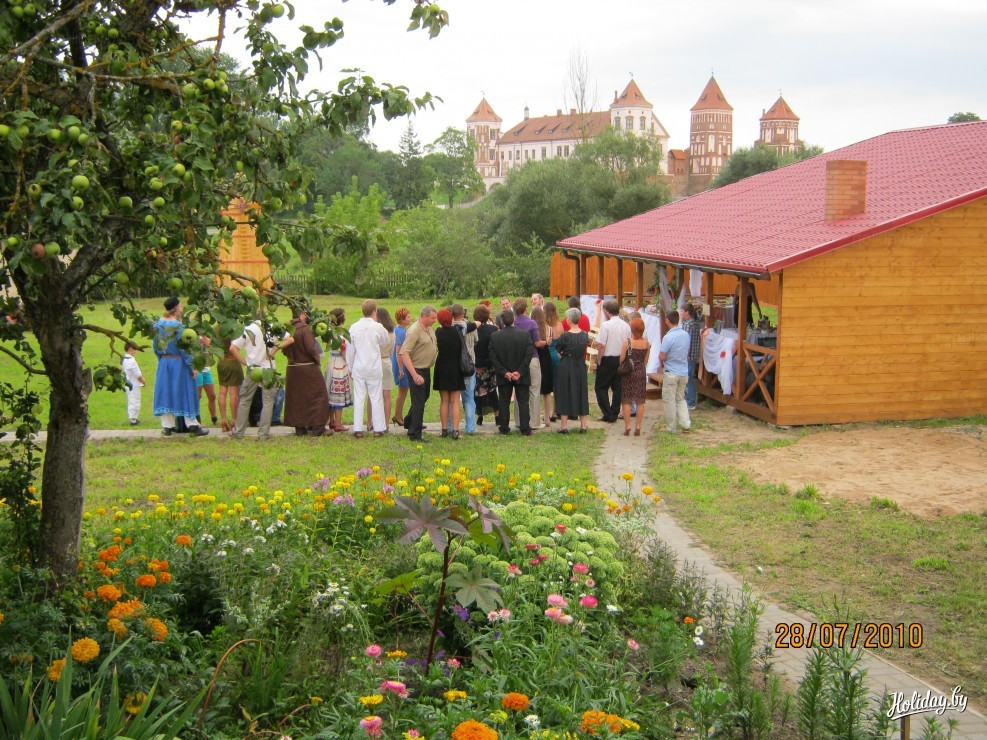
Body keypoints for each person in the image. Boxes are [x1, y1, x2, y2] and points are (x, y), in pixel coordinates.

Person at [152, 296, 208, 436]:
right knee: (186, 391)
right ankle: (193, 425)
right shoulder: (179, 327)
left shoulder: (157, 325)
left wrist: (162, 359)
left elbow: (156, 347)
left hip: (164, 362)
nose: (181, 308)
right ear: (176, 309)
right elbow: (184, 349)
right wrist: (192, 366)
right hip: (179, 363)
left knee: (166, 392)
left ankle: (167, 426)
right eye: (180, 306)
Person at [230, 313, 281, 439]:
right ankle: (263, 433)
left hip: (253, 369)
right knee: (268, 401)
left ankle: (239, 432)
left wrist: (243, 362)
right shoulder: (272, 327)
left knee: (245, 400)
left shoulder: (248, 329)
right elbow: (289, 338)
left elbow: (233, 348)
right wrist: (275, 350)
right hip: (269, 369)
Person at [282, 307, 330, 437]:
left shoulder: (288, 329)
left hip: (292, 368)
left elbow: (284, 349)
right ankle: (318, 427)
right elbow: (311, 348)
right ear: (302, 314)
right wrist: (317, 359)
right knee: (319, 395)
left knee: (297, 397)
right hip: (308, 368)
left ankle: (300, 427)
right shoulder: (305, 329)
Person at [346, 299, 388, 438]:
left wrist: (350, 367)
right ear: (375, 311)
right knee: (376, 397)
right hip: (374, 366)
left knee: (359, 398)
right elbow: (384, 342)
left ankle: (358, 429)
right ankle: (378, 428)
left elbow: (350, 351)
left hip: (359, 367)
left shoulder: (353, 327)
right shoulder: (378, 327)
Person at [488, 310, 534, 436]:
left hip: (505, 375)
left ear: (502, 321)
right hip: (521, 374)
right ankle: (525, 428)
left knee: (504, 401)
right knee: (523, 402)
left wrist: (504, 372)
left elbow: (493, 357)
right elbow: (529, 354)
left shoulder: (495, 336)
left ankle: (504, 427)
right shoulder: (524, 334)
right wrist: (520, 371)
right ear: (514, 319)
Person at [399, 305, 438, 442]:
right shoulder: (414, 330)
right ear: (424, 316)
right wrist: (415, 375)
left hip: (426, 368)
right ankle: (414, 433)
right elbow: (404, 353)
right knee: (418, 401)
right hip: (416, 369)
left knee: (424, 396)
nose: (435, 320)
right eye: (432, 318)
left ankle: (410, 421)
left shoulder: (429, 328)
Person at [593, 299, 632, 423]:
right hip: (621, 358)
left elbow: (601, 345)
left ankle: (608, 413)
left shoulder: (606, 325)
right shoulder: (626, 326)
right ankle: (614, 412)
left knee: (600, 387)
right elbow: (628, 343)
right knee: (617, 387)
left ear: (607, 311)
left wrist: (599, 358)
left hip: (608, 358)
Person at [554, 307, 590, 433]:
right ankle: (583, 426)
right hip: (580, 365)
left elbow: (557, 350)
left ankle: (564, 426)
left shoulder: (565, 336)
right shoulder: (584, 335)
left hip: (567, 365)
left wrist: (562, 354)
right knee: (581, 392)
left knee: (565, 392)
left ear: (570, 319)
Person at [433, 308, 466, 439]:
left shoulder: (438, 332)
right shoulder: (457, 331)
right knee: (455, 401)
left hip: (442, 366)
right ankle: (456, 431)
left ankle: (444, 429)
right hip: (455, 367)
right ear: (451, 318)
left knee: (444, 400)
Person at [658, 309, 692, 434]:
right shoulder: (686, 335)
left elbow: (662, 356)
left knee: (669, 400)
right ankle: (686, 423)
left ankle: (671, 427)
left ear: (667, 320)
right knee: (680, 398)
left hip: (671, 371)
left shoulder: (668, 337)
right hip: (683, 371)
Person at [512, 297, 543, 429]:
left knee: (518, 390)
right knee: (534, 390)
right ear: (526, 309)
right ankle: (535, 422)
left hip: (516, 360)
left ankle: (518, 421)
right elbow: (537, 343)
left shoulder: (513, 323)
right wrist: (546, 342)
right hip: (532, 358)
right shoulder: (531, 323)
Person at [449, 303, 478, 435]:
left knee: (452, 398)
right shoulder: (470, 327)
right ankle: (470, 426)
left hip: (454, 366)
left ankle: (450, 425)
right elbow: (476, 340)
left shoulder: (449, 328)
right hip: (469, 365)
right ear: (463, 313)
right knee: (469, 397)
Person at [619, 318, 652, 436]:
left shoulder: (627, 342)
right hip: (641, 372)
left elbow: (622, 359)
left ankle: (627, 425)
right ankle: (638, 425)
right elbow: (646, 360)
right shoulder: (646, 344)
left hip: (629, 372)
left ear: (632, 329)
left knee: (626, 400)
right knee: (640, 401)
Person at [472, 303, 500, 427]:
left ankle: (480, 416)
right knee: (492, 390)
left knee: (479, 391)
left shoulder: (472, 329)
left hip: (477, 365)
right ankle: (497, 415)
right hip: (490, 364)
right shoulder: (493, 329)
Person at [325, 308, 351, 432]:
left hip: (331, 362)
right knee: (338, 394)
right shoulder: (340, 335)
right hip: (339, 364)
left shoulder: (329, 332)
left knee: (330, 391)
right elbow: (344, 352)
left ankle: (332, 420)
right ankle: (338, 423)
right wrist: (349, 365)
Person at [531, 305, 554, 426]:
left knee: (534, 388)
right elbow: (550, 342)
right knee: (547, 390)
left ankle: (534, 416)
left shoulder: (532, 328)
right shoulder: (548, 327)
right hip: (546, 356)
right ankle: (547, 417)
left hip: (535, 355)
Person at [216, 336, 243, 432]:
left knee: (222, 392)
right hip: (233, 361)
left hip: (221, 362)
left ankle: (223, 419)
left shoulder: (217, 330)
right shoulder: (235, 331)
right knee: (233, 393)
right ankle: (234, 420)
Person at [391, 307, 413, 426]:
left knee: (404, 389)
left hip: (400, 362)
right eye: (408, 317)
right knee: (403, 390)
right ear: (402, 319)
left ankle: (398, 415)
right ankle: (397, 415)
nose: (410, 318)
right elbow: (399, 351)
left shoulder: (399, 329)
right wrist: (400, 369)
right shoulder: (401, 332)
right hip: (401, 363)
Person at [376, 307, 396, 428]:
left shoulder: (378, 332)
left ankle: (371, 422)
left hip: (376, 361)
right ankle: (386, 422)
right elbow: (392, 350)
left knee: (373, 394)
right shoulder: (392, 332)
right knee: (386, 394)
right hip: (387, 361)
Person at [681, 303, 702, 410]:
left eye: (682, 311)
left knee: (688, 378)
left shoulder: (688, 325)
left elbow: (686, 341)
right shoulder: (693, 323)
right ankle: (689, 399)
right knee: (688, 377)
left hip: (688, 356)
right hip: (693, 355)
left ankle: (691, 401)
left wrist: (683, 354)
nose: (681, 313)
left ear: (687, 313)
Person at [195, 339, 218, 426]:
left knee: (212, 395)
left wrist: (206, 339)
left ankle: (214, 419)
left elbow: (211, 346)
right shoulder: (192, 334)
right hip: (196, 368)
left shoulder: (205, 334)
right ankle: (197, 421)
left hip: (206, 368)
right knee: (197, 396)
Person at [122, 341, 145, 426]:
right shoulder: (131, 360)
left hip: (127, 383)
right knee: (135, 400)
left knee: (131, 399)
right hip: (133, 384)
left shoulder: (124, 359)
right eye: (135, 349)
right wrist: (142, 380)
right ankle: (133, 420)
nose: (136, 351)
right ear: (131, 349)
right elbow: (137, 373)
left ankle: (133, 418)